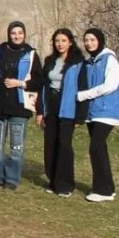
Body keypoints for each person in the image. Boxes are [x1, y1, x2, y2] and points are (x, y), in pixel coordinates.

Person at [0, 20, 43, 191]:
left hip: (19, 108)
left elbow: (39, 81)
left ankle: (12, 179)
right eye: (13, 33)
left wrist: (19, 83)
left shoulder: (31, 54)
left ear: (24, 34)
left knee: (16, 148)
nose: (17, 36)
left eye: (20, 33)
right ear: (9, 34)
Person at [76, 28, 119, 203]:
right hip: (93, 112)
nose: (89, 43)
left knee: (96, 147)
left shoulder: (109, 59)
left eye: (92, 40)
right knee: (99, 148)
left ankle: (102, 190)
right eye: (86, 40)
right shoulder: (90, 61)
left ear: (100, 41)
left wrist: (84, 95)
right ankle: (107, 188)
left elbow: (110, 85)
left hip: (106, 110)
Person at [35, 29, 84, 198]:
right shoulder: (49, 61)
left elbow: (83, 88)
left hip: (68, 107)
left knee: (64, 145)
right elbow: (43, 86)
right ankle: (53, 180)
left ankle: (66, 184)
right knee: (50, 144)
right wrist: (40, 111)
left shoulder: (78, 62)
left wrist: (80, 115)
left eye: (63, 40)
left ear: (70, 42)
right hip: (51, 105)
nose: (60, 44)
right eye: (57, 40)